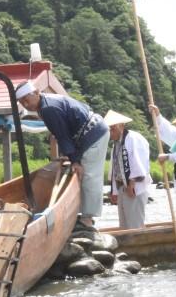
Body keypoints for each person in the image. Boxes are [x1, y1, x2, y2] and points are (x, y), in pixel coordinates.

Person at [15, 83, 109, 231]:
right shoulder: (46, 102)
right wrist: (71, 156)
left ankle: (87, 219)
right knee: (83, 173)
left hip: (93, 133)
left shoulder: (48, 108)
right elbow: (63, 132)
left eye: (27, 99)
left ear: (36, 92)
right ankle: (83, 215)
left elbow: (62, 135)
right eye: (22, 103)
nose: (26, 105)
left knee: (89, 174)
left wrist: (75, 160)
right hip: (86, 134)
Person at [105, 110, 150, 230]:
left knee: (135, 226)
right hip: (122, 188)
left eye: (113, 128)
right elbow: (115, 168)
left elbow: (138, 163)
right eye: (109, 129)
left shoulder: (133, 138)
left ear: (122, 126)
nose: (110, 132)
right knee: (124, 226)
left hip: (134, 188)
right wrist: (114, 191)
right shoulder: (116, 144)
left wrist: (132, 184)